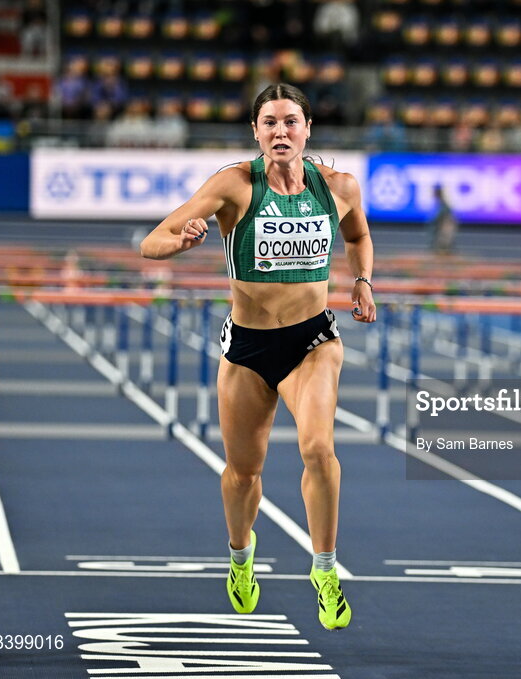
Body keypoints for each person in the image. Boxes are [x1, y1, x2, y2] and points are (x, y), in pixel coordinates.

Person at [140, 83, 376, 630]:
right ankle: (241, 557)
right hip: (248, 349)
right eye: (269, 122)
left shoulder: (338, 186)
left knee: (318, 448)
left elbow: (359, 236)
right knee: (244, 474)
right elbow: (151, 241)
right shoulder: (235, 184)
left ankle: (324, 570)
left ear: (307, 129)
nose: (280, 132)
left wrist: (362, 280)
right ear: (255, 132)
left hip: (312, 341)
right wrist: (177, 245)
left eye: (291, 121)